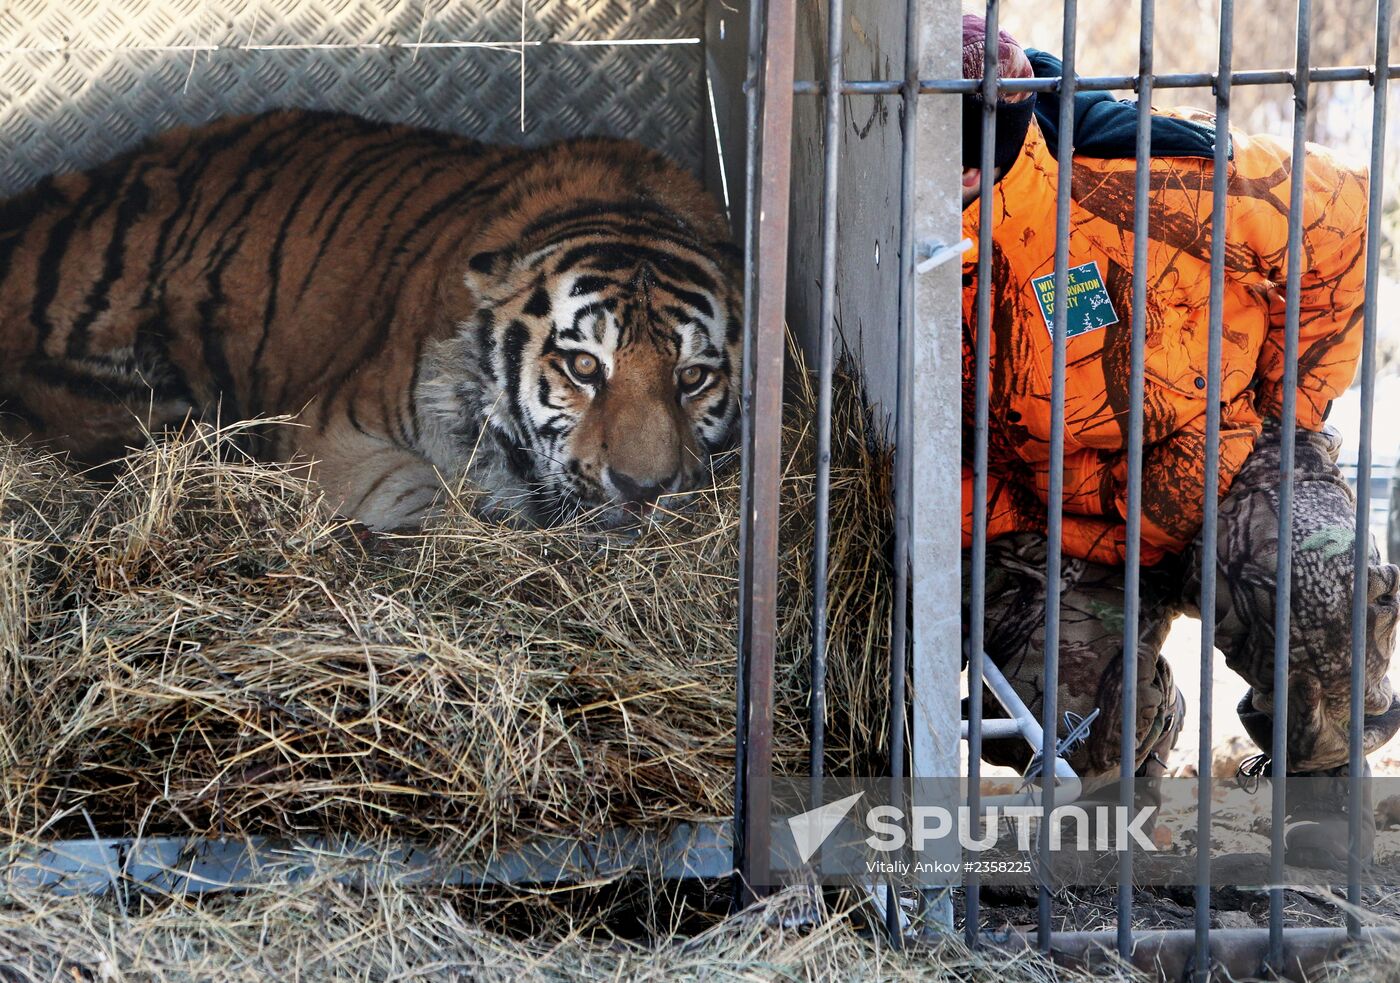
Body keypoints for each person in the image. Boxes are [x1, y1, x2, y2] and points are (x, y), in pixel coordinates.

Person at [958, 14, 1400, 868]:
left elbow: (1340, 228)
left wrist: (1285, 413)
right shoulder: (913, 251)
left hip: (1230, 466)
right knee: (1064, 708)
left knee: (1322, 577)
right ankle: (1119, 806)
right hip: (1066, 522)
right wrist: (1006, 535)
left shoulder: (1144, 168)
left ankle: (1323, 801)